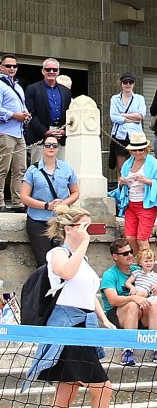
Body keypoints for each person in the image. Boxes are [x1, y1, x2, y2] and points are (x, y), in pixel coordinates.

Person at [23, 206, 126, 408]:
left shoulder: (84, 260)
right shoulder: (57, 253)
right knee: (103, 389)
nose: (88, 231)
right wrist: (83, 243)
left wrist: (103, 320)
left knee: (64, 396)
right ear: (69, 229)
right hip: (68, 330)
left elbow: (90, 295)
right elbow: (65, 273)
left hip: (84, 327)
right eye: (84, 226)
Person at [100, 238, 157, 366]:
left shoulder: (138, 269)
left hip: (140, 313)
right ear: (115, 257)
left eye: (130, 251)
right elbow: (113, 300)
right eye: (125, 254)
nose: (130, 255)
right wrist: (134, 298)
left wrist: (146, 293)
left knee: (154, 304)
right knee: (132, 305)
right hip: (117, 315)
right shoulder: (109, 275)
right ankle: (127, 350)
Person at [20, 136, 79, 265]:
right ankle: (44, 285)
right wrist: (46, 206)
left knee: (63, 260)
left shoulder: (67, 168)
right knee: (43, 262)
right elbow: (24, 197)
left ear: (58, 148)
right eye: (48, 145)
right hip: (38, 220)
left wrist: (63, 204)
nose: (51, 148)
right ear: (42, 148)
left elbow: (75, 192)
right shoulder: (33, 170)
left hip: (60, 220)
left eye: (54, 145)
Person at [116, 132, 157, 258]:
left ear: (146, 149)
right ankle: (137, 264)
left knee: (142, 239)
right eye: (135, 150)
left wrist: (147, 181)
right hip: (131, 205)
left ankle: (147, 268)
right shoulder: (128, 163)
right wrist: (122, 182)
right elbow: (121, 184)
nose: (138, 152)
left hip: (147, 205)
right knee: (130, 237)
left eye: (140, 150)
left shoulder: (153, 163)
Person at [24, 58, 71, 165]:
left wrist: (65, 131)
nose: (51, 72)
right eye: (48, 69)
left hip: (61, 135)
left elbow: (70, 114)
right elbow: (30, 113)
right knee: (38, 168)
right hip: (39, 135)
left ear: (58, 72)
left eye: (54, 69)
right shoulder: (32, 89)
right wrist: (44, 132)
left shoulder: (66, 91)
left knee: (60, 168)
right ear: (43, 71)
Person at [0, 54, 29, 210]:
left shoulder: (17, 86)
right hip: (4, 131)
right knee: (2, 168)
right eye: (8, 66)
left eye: (14, 66)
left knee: (20, 168)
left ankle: (17, 202)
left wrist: (26, 114)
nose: (12, 69)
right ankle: (0, 202)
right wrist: (13, 115)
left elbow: (22, 107)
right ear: (1, 67)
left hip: (19, 132)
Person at [108, 72, 146, 186]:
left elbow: (141, 116)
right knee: (121, 167)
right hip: (120, 136)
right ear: (121, 84)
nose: (128, 84)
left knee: (138, 165)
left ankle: (135, 189)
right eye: (125, 82)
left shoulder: (139, 98)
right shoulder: (115, 98)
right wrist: (132, 117)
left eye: (130, 82)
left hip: (136, 137)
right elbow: (113, 117)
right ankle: (122, 192)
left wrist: (123, 115)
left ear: (134, 84)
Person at [126, 248, 157, 314]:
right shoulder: (137, 273)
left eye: (151, 261)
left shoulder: (156, 276)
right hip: (139, 293)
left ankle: (156, 319)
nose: (149, 263)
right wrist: (132, 287)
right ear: (140, 263)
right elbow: (127, 283)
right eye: (146, 261)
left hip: (152, 297)